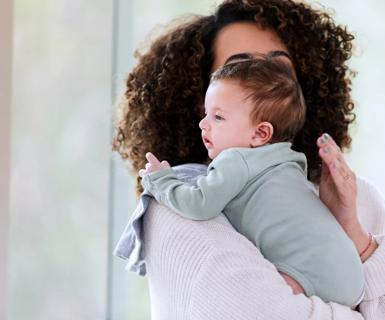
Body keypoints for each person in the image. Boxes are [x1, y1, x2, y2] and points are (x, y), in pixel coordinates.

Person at [112, 0, 385, 319]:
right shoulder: (175, 203)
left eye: (280, 70)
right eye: (242, 69)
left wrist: (356, 236)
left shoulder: (357, 200)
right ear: (202, 97)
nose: (266, 80)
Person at [137, 57, 365, 306]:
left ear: (260, 134)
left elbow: (199, 204)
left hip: (307, 272)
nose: (203, 124)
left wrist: (161, 180)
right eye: (206, 114)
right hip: (350, 274)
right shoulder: (291, 161)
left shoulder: (236, 159)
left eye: (218, 117)